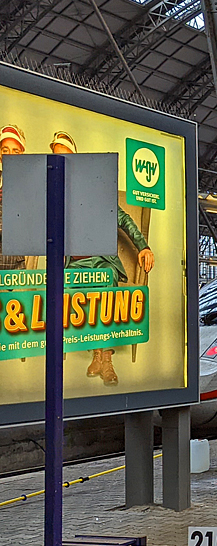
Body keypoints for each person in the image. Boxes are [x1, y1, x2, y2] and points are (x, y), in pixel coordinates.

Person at [52, 132, 155, 386]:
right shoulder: (53, 193)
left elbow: (124, 220)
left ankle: (105, 360)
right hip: (73, 263)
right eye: (56, 157)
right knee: (69, 288)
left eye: (64, 156)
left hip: (101, 261)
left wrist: (143, 246)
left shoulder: (94, 188)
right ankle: (98, 355)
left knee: (103, 283)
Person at [0, 125, 26, 270]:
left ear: (22, 153)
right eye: (5, 150)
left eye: (15, 150)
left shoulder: (31, 186)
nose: (10, 154)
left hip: (16, 268)